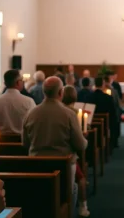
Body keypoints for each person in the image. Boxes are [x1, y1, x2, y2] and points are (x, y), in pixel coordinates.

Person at [22, 77, 89, 216]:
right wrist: (85, 140)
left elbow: (25, 144)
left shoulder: (31, 113)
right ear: (61, 92)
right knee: (72, 190)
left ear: (44, 92)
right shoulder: (69, 114)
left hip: (36, 165)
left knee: (40, 197)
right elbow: (80, 145)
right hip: (62, 165)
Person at [62, 85, 90, 217]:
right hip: (66, 156)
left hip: (41, 157)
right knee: (81, 178)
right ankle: (82, 206)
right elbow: (79, 143)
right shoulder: (72, 113)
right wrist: (84, 141)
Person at [0, 70, 36, 134]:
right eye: (22, 80)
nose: (23, 82)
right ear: (18, 83)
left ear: (5, 84)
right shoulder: (29, 101)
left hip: (2, 141)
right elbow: (34, 123)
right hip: (22, 141)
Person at [89, 77, 117, 148]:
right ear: (103, 84)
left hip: (91, 125)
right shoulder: (108, 98)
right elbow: (113, 114)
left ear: (95, 84)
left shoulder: (88, 97)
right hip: (105, 126)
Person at [104, 75, 122, 147]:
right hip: (111, 113)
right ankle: (113, 142)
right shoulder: (113, 91)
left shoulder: (113, 90)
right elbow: (117, 103)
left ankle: (113, 141)